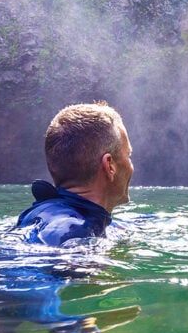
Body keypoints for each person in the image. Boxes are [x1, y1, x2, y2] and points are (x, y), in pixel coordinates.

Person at [14, 101, 134, 246]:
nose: (131, 166)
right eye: (128, 155)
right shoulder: (76, 232)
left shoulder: (38, 214)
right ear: (110, 165)